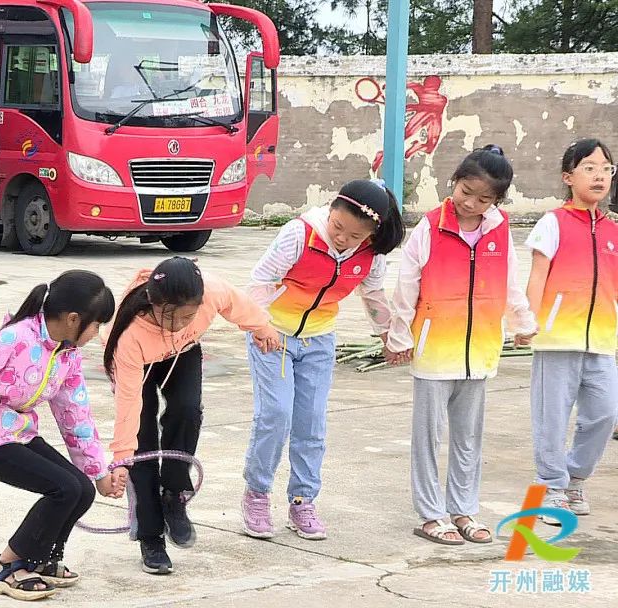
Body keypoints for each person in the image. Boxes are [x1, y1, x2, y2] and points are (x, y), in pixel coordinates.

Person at [385, 145, 537, 545]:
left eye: (483, 199)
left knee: (469, 438)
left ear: (497, 201)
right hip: (435, 349)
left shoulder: (499, 228)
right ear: (454, 181)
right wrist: (399, 335)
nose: (471, 203)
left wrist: (522, 323)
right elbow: (407, 286)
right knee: (429, 436)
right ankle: (431, 513)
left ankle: (464, 509)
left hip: (480, 349)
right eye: (466, 191)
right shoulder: (429, 227)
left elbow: (510, 281)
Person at [0, 271, 126, 600]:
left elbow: (76, 416)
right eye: (97, 324)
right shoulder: (17, 337)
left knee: (82, 489)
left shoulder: (66, 355)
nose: (97, 332)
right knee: (63, 488)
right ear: (74, 319)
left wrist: (98, 472)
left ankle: (41, 560)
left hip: (18, 433)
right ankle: (7, 566)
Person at [242, 178, 405, 541]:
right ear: (330, 210)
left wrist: (389, 337)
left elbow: (374, 294)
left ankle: (303, 500)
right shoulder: (297, 234)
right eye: (338, 227)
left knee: (311, 422)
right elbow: (261, 281)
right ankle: (257, 493)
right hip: (273, 335)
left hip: (319, 340)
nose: (343, 239)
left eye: (355, 236)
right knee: (276, 415)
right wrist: (258, 325)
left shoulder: (372, 253)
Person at [102, 256, 280, 575]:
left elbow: (238, 303)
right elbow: (128, 406)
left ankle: (174, 493)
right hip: (137, 365)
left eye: (189, 316)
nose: (182, 323)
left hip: (182, 353)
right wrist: (121, 459)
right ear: (154, 304)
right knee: (142, 444)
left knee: (186, 410)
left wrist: (262, 327)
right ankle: (150, 536)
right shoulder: (129, 334)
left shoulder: (210, 291)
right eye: (172, 318)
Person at [524, 138, 618, 525]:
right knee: (552, 418)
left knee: (605, 414)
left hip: (602, 340)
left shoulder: (613, 230)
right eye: (589, 168)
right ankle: (551, 487)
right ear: (568, 176)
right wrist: (527, 321)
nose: (599, 176)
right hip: (557, 337)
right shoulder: (553, 222)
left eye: (606, 169)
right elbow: (537, 275)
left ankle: (575, 477)